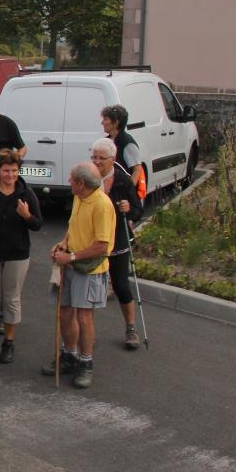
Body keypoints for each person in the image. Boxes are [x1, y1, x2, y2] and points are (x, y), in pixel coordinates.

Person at [44, 162, 116, 389]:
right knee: (65, 312)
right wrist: (63, 243)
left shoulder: (102, 204)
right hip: (71, 264)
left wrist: (71, 257)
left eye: (71, 178)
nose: (68, 181)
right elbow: (73, 227)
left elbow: (102, 246)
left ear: (81, 183)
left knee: (84, 317)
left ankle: (86, 363)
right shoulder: (79, 197)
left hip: (89, 269)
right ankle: (69, 355)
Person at [0, 150, 42, 365]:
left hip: (17, 254)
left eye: (14, 171)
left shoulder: (26, 193)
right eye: (6, 170)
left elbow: (38, 224)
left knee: (11, 299)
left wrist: (27, 216)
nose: (10, 175)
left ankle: (9, 342)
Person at [91, 137, 145, 350]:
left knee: (121, 285)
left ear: (112, 160)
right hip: (93, 239)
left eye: (101, 158)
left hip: (117, 239)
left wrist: (128, 210)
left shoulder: (122, 180)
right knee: (91, 289)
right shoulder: (88, 178)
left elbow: (137, 209)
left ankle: (131, 328)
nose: (96, 162)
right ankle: (88, 333)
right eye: (93, 157)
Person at [101, 104, 145, 196]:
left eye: (105, 119)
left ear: (116, 123)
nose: (102, 122)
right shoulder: (107, 141)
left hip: (122, 194)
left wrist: (128, 192)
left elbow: (137, 170)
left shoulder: (127, 143)